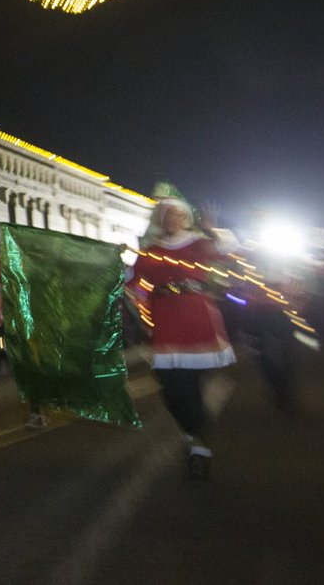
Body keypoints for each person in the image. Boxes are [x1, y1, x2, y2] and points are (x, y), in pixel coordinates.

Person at [131, 196, 235, 481]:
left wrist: (212, 229)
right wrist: (143, 313)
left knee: (191, 385)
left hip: (195, 318)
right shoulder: (150, 252)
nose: (172, 219)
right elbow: (135, 286)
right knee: (170, 387)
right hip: (164, 321)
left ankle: (198, 444)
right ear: (160, 220)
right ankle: (193, 432)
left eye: (177, 214)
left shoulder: (199, 243)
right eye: (167, 214)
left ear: (185, 218)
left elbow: (228, 250)